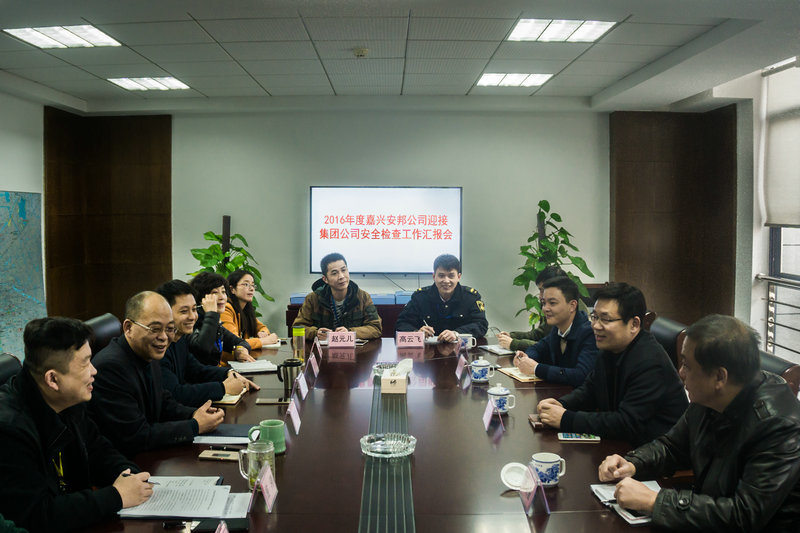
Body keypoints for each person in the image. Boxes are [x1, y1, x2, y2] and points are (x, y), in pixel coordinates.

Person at [598, 314, 800, 532]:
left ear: (719, 377)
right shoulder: (710, 398)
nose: (680, 372)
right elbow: (672, 447)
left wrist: (656, 502)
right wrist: (632, 464)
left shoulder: (779, 426)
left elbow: (744, 515)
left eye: (687, 365)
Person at [0, 317, 153, 532]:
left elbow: (98, 449)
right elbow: (37, 516)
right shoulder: (9, 431)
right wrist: (116, 496)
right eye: (85, 363)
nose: (94, 370)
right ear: (53, 379)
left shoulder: (68, 399)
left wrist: (128, 475)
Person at [536, 282, 687, 446]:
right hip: (623, 446)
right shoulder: (609, 348)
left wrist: (566, 418)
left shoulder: (650, 363)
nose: (595, 326)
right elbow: (590, 390)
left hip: (655, 452)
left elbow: (626, 423)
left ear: (634, 324)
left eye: (605, 319)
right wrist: (561, 404)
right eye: (594, 317)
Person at [89, 291, 225, 457]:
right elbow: (136, 435)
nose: (164, 337)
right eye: (155, 329)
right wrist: (194, 426)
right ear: (128, 327)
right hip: (128, 461)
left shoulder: (147, 352)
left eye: (169, 329)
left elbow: (162, 401)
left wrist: (193, 413)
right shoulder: (110, 368)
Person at [156, 280, 259, 408]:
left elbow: (197, 370)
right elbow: (175, 394)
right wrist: (223, 388)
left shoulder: (179, 339)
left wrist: (228, 373)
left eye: (194, 309)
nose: (192, 317)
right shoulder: (158, 347)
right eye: (184, 311)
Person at [513, 276, 597, 386]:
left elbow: (581, 375)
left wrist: (536, 368)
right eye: (543, 303)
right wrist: (526, 357)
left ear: (572, 306)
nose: (545, 309)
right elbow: (537, 348)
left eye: (552, 303)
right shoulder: (557, 329)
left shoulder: (590, 334)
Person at [395, 254, 488, 342]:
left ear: (458, 277)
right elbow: (402, 323)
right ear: (434, 276)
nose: (446, 281)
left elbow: (481, 324)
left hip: (460, 350)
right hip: (427, 350)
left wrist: (457, 333)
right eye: (441, 276)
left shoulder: (470, 297)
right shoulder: (420, 297)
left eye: (451, 276)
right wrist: (417, 333)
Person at [293, 253, 382, 340]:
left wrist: (350, 332)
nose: (341, 276)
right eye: (334, 273)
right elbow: (298, 327)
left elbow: (375, 328)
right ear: (325, 279)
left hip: (354, 348)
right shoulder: (313, 299)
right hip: (324, 348)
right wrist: (315, 333)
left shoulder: (363, 297)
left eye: (344, 270)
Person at [497, 265, 589, 351]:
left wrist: (514, 344)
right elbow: (540, 334)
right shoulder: (553, 309)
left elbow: (553, 349)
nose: (540, 296)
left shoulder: (578, 314)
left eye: (543, 290)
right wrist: (512, 336)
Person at [188, 272, 254, 365]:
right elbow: (203, 350)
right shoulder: (193, 322)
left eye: (223, 292)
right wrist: (211, 314)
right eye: (215, 293)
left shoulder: (214, 322)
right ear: (201, 299)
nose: (222, 297)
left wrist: (239, 350)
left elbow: (241, 342)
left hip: (215, 372)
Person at [221, 269, 280, 350]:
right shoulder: (225, 309)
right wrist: (264, 340)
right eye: (246, 284)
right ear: (232, 289)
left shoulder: (245, 310)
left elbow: (262, 327)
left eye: (252, 285)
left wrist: (263, 333)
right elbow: (235, 343)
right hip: (227, 358)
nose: (251, 289)